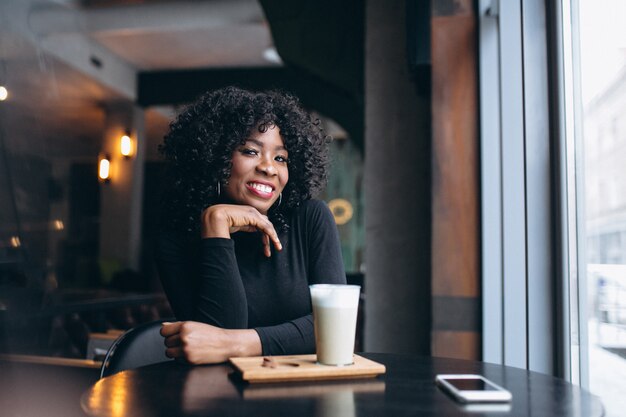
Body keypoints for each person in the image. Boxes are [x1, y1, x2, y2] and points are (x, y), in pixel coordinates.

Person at [155, 86, 346, 364]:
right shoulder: (175, 238)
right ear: (214, 156)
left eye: (280, 158)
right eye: (250, 151)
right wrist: (216, 224)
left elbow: (334, 328)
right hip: (219, 398)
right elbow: (211, 349)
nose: (269, 168)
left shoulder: (310, 219)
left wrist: (239, 343)